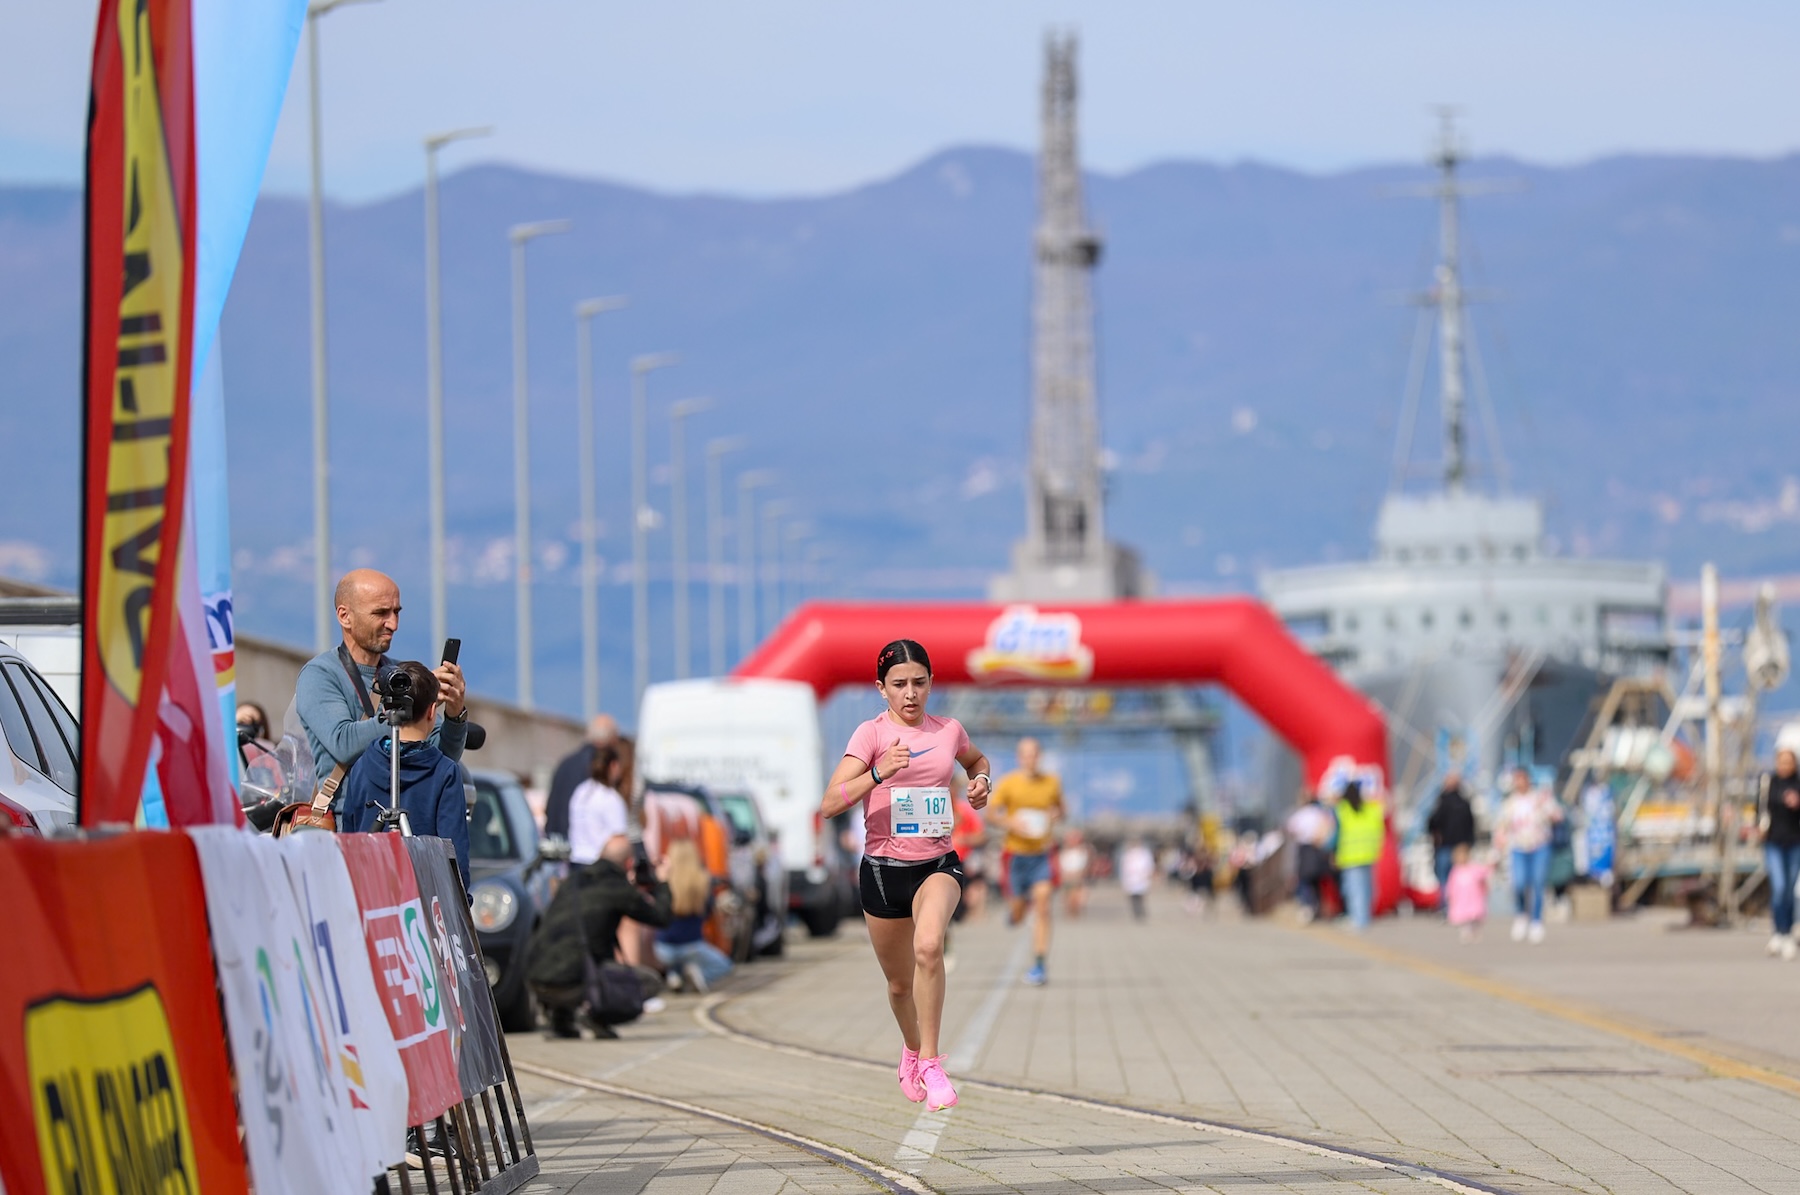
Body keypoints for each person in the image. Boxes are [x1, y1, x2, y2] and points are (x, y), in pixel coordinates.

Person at [819, 639, 992, 1113]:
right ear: (882, 689)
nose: (910, 693)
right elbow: (830, 802)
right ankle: (912, 1051)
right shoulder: (870, 736)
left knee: (930, 946)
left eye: (919, 683)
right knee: (899, 985)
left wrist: (981, 784)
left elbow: (977, 762)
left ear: (932, 684)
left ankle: (933, 1063)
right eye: (899, 685)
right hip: (882, 871)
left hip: (937, 863)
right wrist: (878, 773)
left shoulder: (949, 730)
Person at [295, 569, 467, 804]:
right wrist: (410, 704)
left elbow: (442, 754)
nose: (393, 624)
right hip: (345, 825)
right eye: (381, 613)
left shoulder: (403, 674)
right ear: (345, 616)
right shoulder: (321, 674)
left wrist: (454, 714)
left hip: (403, 820)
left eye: (396, 612)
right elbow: (344, 743)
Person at [334, 662, 472, 889]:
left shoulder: (361, 765)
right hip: (423, 903)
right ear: (431, 711)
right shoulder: (445, 772)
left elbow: (350, 841)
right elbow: (454, 856)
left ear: (387, 710)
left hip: (372, 897)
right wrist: (461, 908)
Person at [525, 835, 672, 1039]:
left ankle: (562, 1020)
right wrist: (663, 882)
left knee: (570, 955)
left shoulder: (573, 881)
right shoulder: (618, 889)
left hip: (535, 977)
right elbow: (661, 917)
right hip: (574, 982)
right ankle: (597, 1015)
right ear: (629, 863)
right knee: (650, 981)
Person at [988, 737, 1064, 987]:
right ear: (1019, 757)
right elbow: (991, 815)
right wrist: (1012, 823)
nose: (1030, 759)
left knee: (1043, 906)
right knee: (1020, 913)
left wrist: (1056, 814)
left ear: (1039, 756)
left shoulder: (1052, 782)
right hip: (1015, 856)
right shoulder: (1009, 783)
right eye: (1025, 754)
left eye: (1034, 754)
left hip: (1042, 854)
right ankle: (1015, 914)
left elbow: (1062, 810)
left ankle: (1040, 964)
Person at [654, 840, 734, 993]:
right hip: (692, 946)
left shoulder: (664, 882)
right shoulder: (703, 881)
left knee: (675, 959)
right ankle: (701, 976)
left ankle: (675, 975)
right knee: (725, 965)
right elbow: (708, 913)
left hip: (662, 948)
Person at [1494, 766, 1563, 944]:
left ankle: (1536, 920)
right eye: (1516, 779)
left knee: (1538, 883)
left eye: (1521, 778)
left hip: (1540, 845)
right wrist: (1498, 848)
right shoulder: (1510, 802)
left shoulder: (1540, 797)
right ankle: (1521, 915)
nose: (1519, 782)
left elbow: (1558, 815)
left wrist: (1547, 808)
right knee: (1518, 883)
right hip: (1518, 846)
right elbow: (1502, 826)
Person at [545, 714, 619, 838]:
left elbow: (551, 808)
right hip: (587, 848)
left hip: (559, 842)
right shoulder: (599, 769)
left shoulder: (565, 764)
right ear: (612, 740)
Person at [1761, 748, 1800, 959]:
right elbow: (1759, 808)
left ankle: (1788, 933)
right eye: (1781, 762)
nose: (1785, 766)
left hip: (1795, 842)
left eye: (1789, 762)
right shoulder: (1769, 782)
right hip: (1773, 842)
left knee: (1790, 890)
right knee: (1779, 887)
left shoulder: (1798, 783)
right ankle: (1778, 932)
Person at [1332, 780, 1385, 932]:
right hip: (1369, 853)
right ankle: (1365, 918)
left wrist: (1333, 852)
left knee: (1353, 889)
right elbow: (1379, 829)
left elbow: (1336, 834)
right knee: (1367, 889)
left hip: (1350, 855)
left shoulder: (1343, 810)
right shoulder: (1371, 809)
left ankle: (1358, 920)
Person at [568, 742, 629, 866]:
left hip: (575, 861)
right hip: (598, 864)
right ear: (613, 766)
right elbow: (619, 840)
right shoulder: (610, 798)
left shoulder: (580, 791)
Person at [1425, 773, 1476, 909]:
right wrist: (1469, 843)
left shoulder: (1442, 802)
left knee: (1443, 878)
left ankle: (1446, 908)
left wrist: (1434, 834)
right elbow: (1471, 824)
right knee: (1460, 878)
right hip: (1461, 847)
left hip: (1445, 845)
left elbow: (1432, 822)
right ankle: (1459, 906)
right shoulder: (1464, 803)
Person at [1285, 789, 1335, 924]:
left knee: (1304, 881)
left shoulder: (1300, 815)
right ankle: (1318, 908)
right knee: (1318, 881)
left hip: (1305, 849)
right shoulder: (1321, 813)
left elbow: (1290, 829)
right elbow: (1330, 828)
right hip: (1319, 849)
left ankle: (1307, 907)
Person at [951, 781, 991, 922]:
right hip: (938, 861)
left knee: (959, 909)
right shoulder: (931, 808)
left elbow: (981, 835)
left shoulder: (965, 809)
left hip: (962, 862)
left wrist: (964, 840)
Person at [1443, 843, 1493, 944]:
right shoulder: (1455, 871)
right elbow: (1451, 884)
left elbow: (1484, 874)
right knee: (1463, 917)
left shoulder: (1473, 868)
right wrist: (1449, 894)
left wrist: (1489, 864)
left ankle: (1475, 930)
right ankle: (1466, 932)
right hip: (1461, 898)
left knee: (1475, 916)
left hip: (1473, 897)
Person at [1119, 838, 1156, 920]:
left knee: (1141, 896)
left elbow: (1149, 865)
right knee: (1133, 897)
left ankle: (1141, 911)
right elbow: (1124, 867)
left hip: (1141, 878)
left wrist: (1148, 874)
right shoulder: (1128, 854)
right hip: (1131, 878)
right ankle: (1136, 912)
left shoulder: (1144, 854)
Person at [1058, 829, 1091, 918]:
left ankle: (1076, 909)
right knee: (1069, 894)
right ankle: (1070, 910)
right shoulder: (1065, 851)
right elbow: (1062, 864)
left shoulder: (1083, 851)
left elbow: (1085, 864)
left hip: (1078, 875)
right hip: (1068, 875)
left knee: (1078, 893)